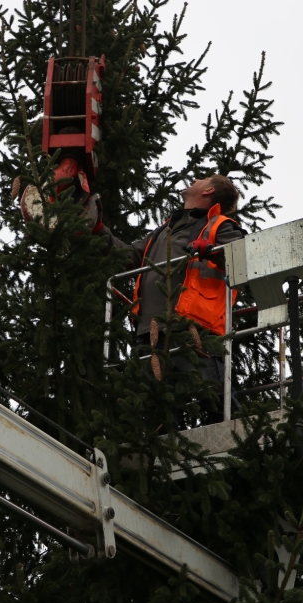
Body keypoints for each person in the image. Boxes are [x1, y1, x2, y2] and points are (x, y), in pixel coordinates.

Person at [94, 174, 244, 424]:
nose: (195, 179)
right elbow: (128, 256)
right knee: (154, 409)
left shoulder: (220, 225)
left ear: (208, 191)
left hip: (196, 330)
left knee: (217, 400)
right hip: (150, 333)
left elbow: (242, 259)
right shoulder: (164, 230)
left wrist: (213, 251)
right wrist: (99, 230)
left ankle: (242, 449)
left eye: (202, 179)